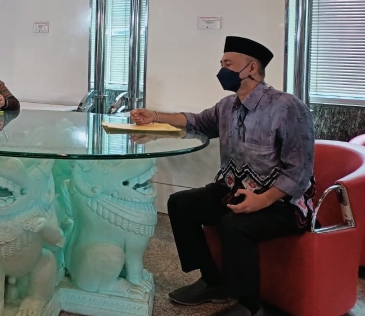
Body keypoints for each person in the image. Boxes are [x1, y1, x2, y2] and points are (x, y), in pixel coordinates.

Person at [131, 36, 315, 316]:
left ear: (251, 68)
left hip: (282, 203)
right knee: (181, 204)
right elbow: (196, 121)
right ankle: (212, 281)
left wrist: (262, 200)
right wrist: (155, 116)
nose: (222, 70)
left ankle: (250, 305)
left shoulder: (287, 107)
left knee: (234, 224)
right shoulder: (228, 105)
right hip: (234, 190)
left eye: (228, 64)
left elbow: (300, 171)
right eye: (221, 64)